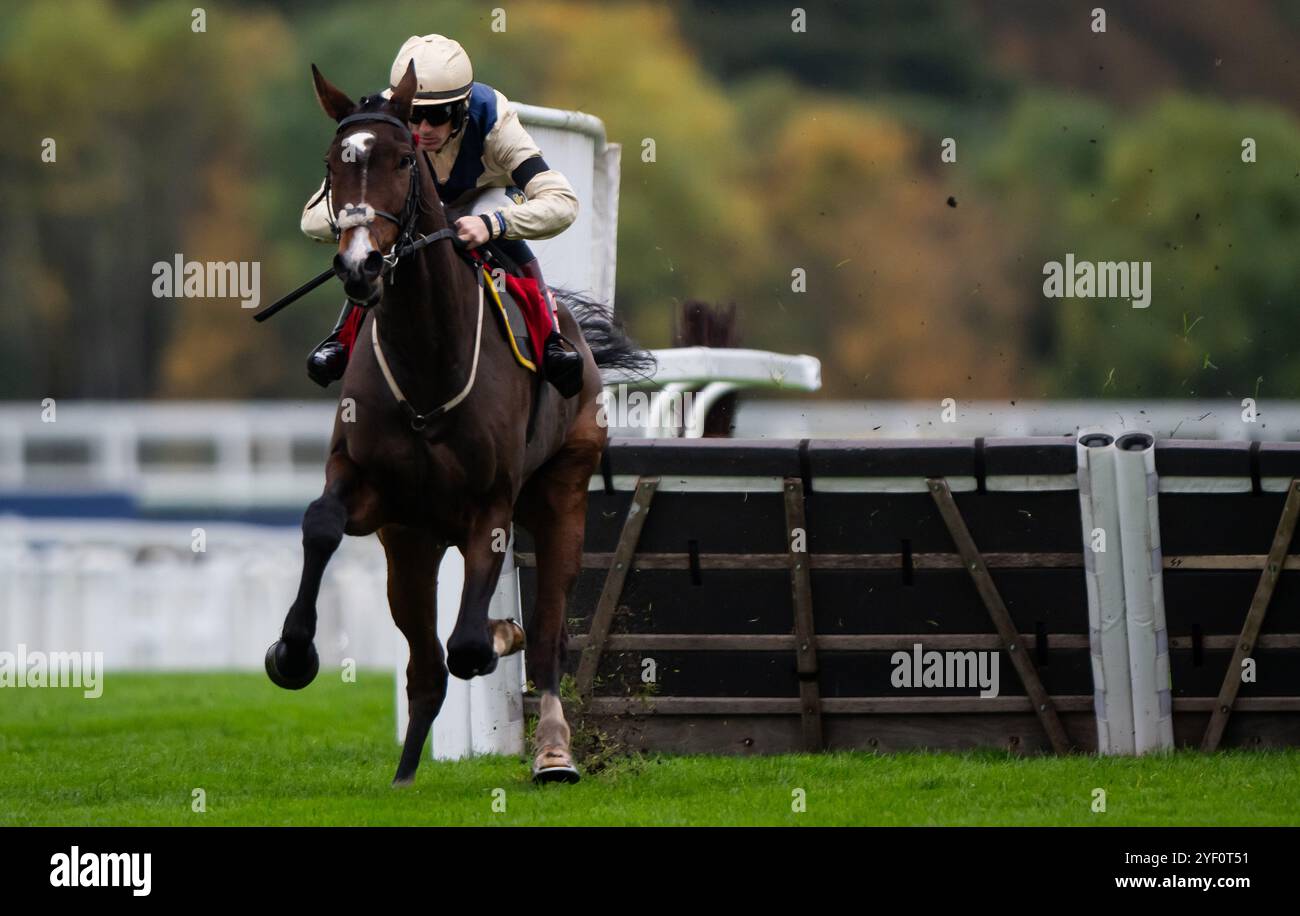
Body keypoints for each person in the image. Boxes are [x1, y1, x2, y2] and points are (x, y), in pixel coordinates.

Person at [301, 33, 584, 396]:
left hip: (486, 200)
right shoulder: (382, 121)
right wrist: (364, 221)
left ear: (463, 108)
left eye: (438, 116)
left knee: (491, 209)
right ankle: (343, 338)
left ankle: (551, 339)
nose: (423, 129)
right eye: (414, 115)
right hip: (418, 211)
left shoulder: (494, 119)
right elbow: (311, 218)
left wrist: (493, 224)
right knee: (369, 249)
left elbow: (562, 201)